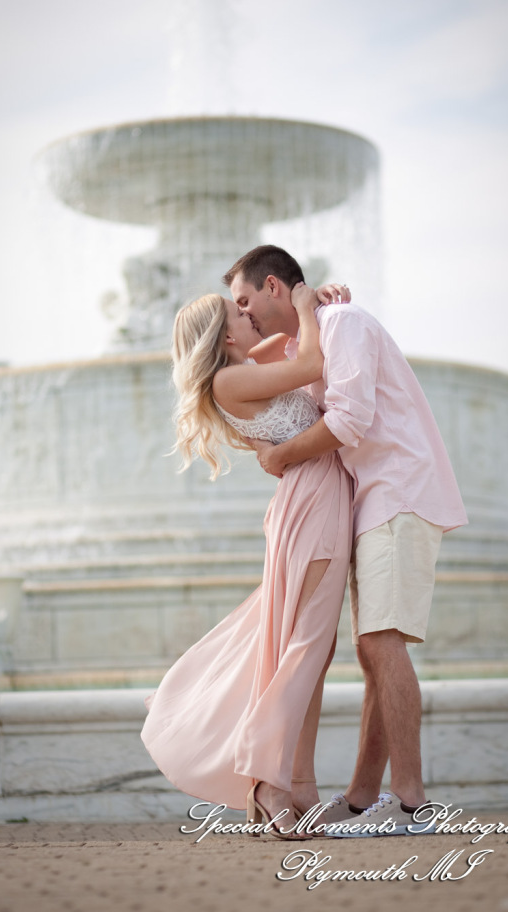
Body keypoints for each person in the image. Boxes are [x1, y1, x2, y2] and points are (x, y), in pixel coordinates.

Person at [224, 244, 468, 837]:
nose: (243, 312)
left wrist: (278, 455)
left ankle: (410, 804)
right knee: (371, 649)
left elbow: (350, 421)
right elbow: (259, 354)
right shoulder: (312, 331)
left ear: (275, 286)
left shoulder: (344, 323)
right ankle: (363, 799)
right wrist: (309, 303)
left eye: (245, 299)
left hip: (398, 490)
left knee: (383, 643)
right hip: (369, 498)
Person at [140, 281, 354, 838]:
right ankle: (267, 781)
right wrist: (306, 307)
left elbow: (287, 342)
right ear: (222, 334)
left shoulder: (243, 366)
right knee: (306, 644)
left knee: (311, 643)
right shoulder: (229, 379)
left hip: (312, 495)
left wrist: (313, 307)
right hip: (312, 499)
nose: (246, 311)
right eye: (235, 311)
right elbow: (308, 359)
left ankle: (297, 786)